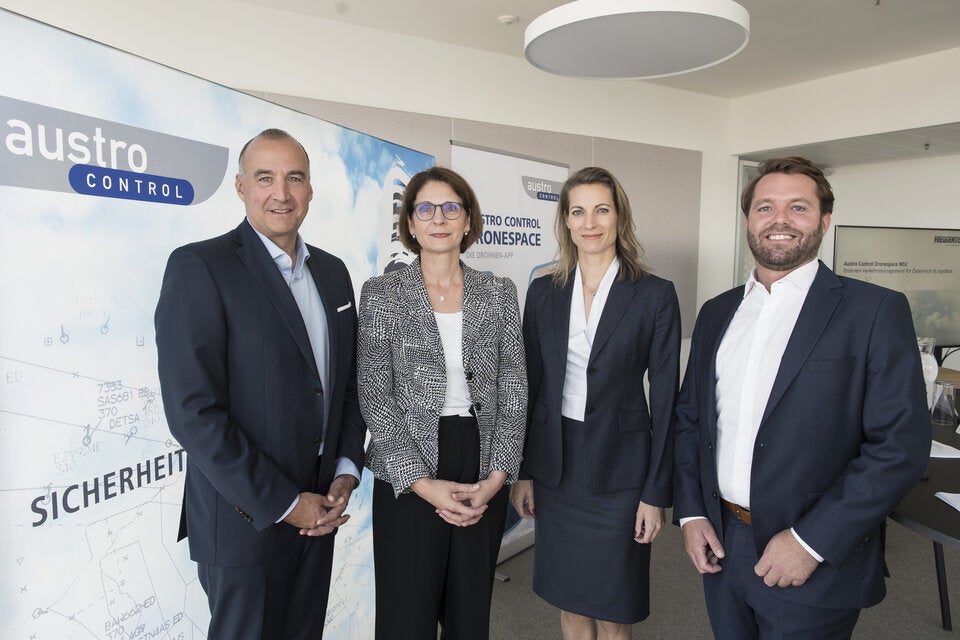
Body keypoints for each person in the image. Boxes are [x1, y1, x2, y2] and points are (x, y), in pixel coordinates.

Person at [673, 156, 931, 639]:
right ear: (748, 220)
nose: (779, 220)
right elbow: (691, 421)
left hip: (812, 554)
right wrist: (690, 513)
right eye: (765, 207)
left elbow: (899, 447)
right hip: (722, 543)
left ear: (824, 221)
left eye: (798, 207)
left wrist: (811, 542)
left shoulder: (873, 311)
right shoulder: (717, 312)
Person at [155, 129, 366, 639]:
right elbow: (193, 412)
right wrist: (288, 505)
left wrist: (344, 470)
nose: (282, 193)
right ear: (240, 187)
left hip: (320, 516)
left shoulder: (334, 274)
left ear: (311, 190)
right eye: (265, 178)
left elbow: (346, 388)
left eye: (294, 178)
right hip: (245, 523)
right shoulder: (200, 267)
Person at [511, 167, 681, 640]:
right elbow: (532, 387)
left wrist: (655, 492)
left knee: (613, 609)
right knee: (569, 603)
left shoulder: (654, 295)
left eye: (601, 210)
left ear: (618, 217)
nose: (590, 222)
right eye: (579, 211)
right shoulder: (544, 291)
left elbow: (667, 401)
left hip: (621, 474)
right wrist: (525, 471)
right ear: (565, 220)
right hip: (557, 467)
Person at [357, 166, 527, 640]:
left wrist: (497, 477)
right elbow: (375, 395)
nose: (439, 218)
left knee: (469, 612)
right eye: (426, 208)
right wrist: (422, 483)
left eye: (451, 207)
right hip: (408, 463)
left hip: (481, 454)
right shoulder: (382, 295)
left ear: (468, 221)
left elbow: (514, 387)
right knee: (406, 615)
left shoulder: (498, 294)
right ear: (410, 223)